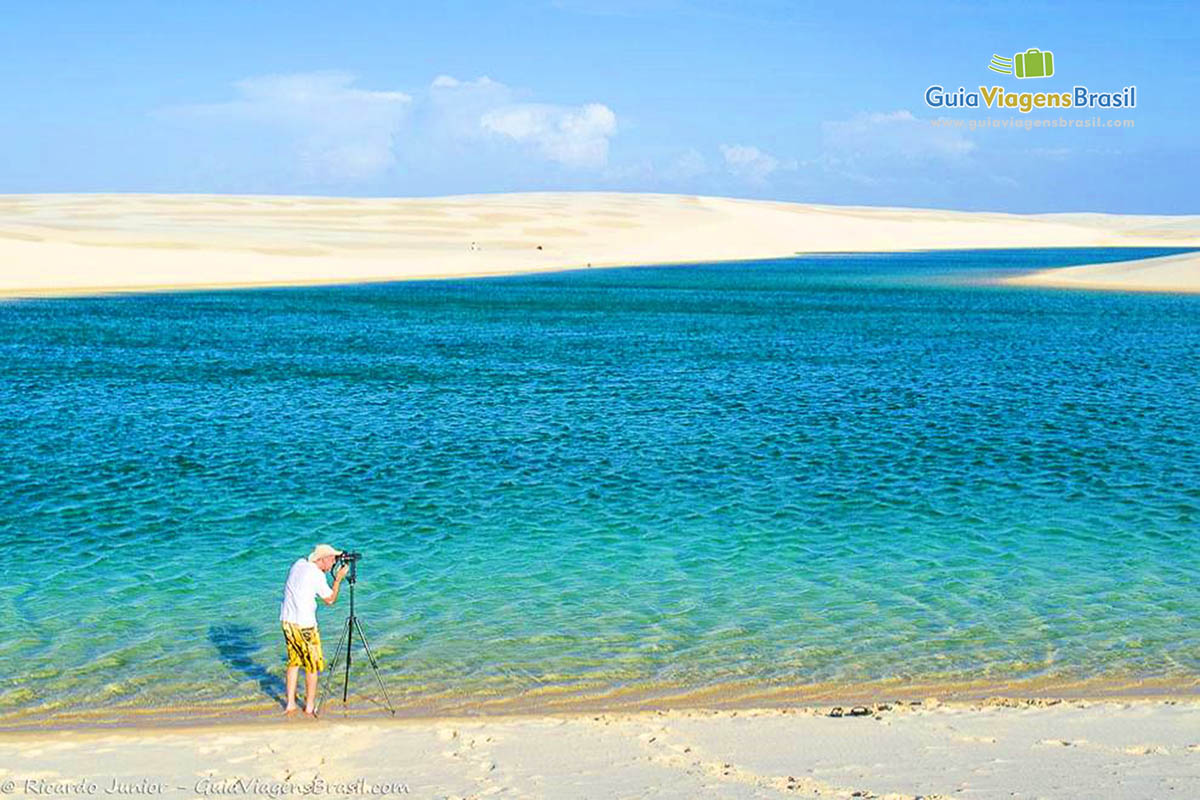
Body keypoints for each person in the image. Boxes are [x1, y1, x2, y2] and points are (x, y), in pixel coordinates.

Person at [279, 543, 349, 715]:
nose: (334, 564)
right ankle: (309, 707)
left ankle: (290, 704)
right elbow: (330, 599)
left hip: (287, 621)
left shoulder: (299, 564)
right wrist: (338, 579)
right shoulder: (316, 575)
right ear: (322, 559)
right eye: (332, 560)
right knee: (312, 666)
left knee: (294, 662)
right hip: (305, 626)